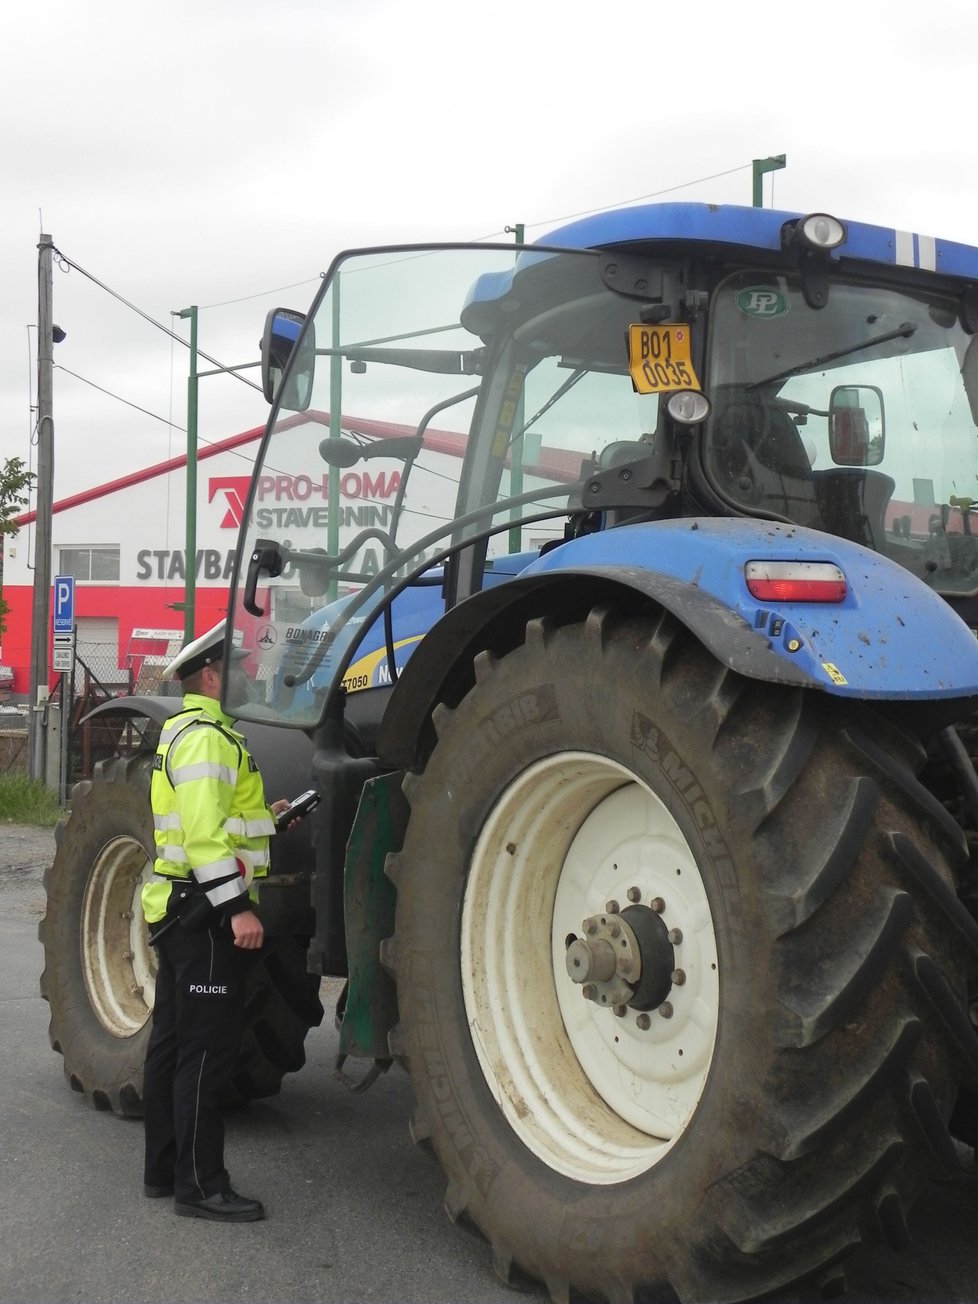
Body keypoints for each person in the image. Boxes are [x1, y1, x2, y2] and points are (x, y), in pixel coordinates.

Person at [140, 620, 290, 1223]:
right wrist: (236, 908)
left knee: (173, 1045)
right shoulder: (207, 739)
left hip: (178, 909)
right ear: (210, 675)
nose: (248, 673)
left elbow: (214, 824)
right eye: (239, 666)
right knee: (206, 1053)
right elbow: (203, 839)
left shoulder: (191, 733)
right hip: (204, 915)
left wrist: (269, 819)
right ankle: (200, 1186)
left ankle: (163, 1170)